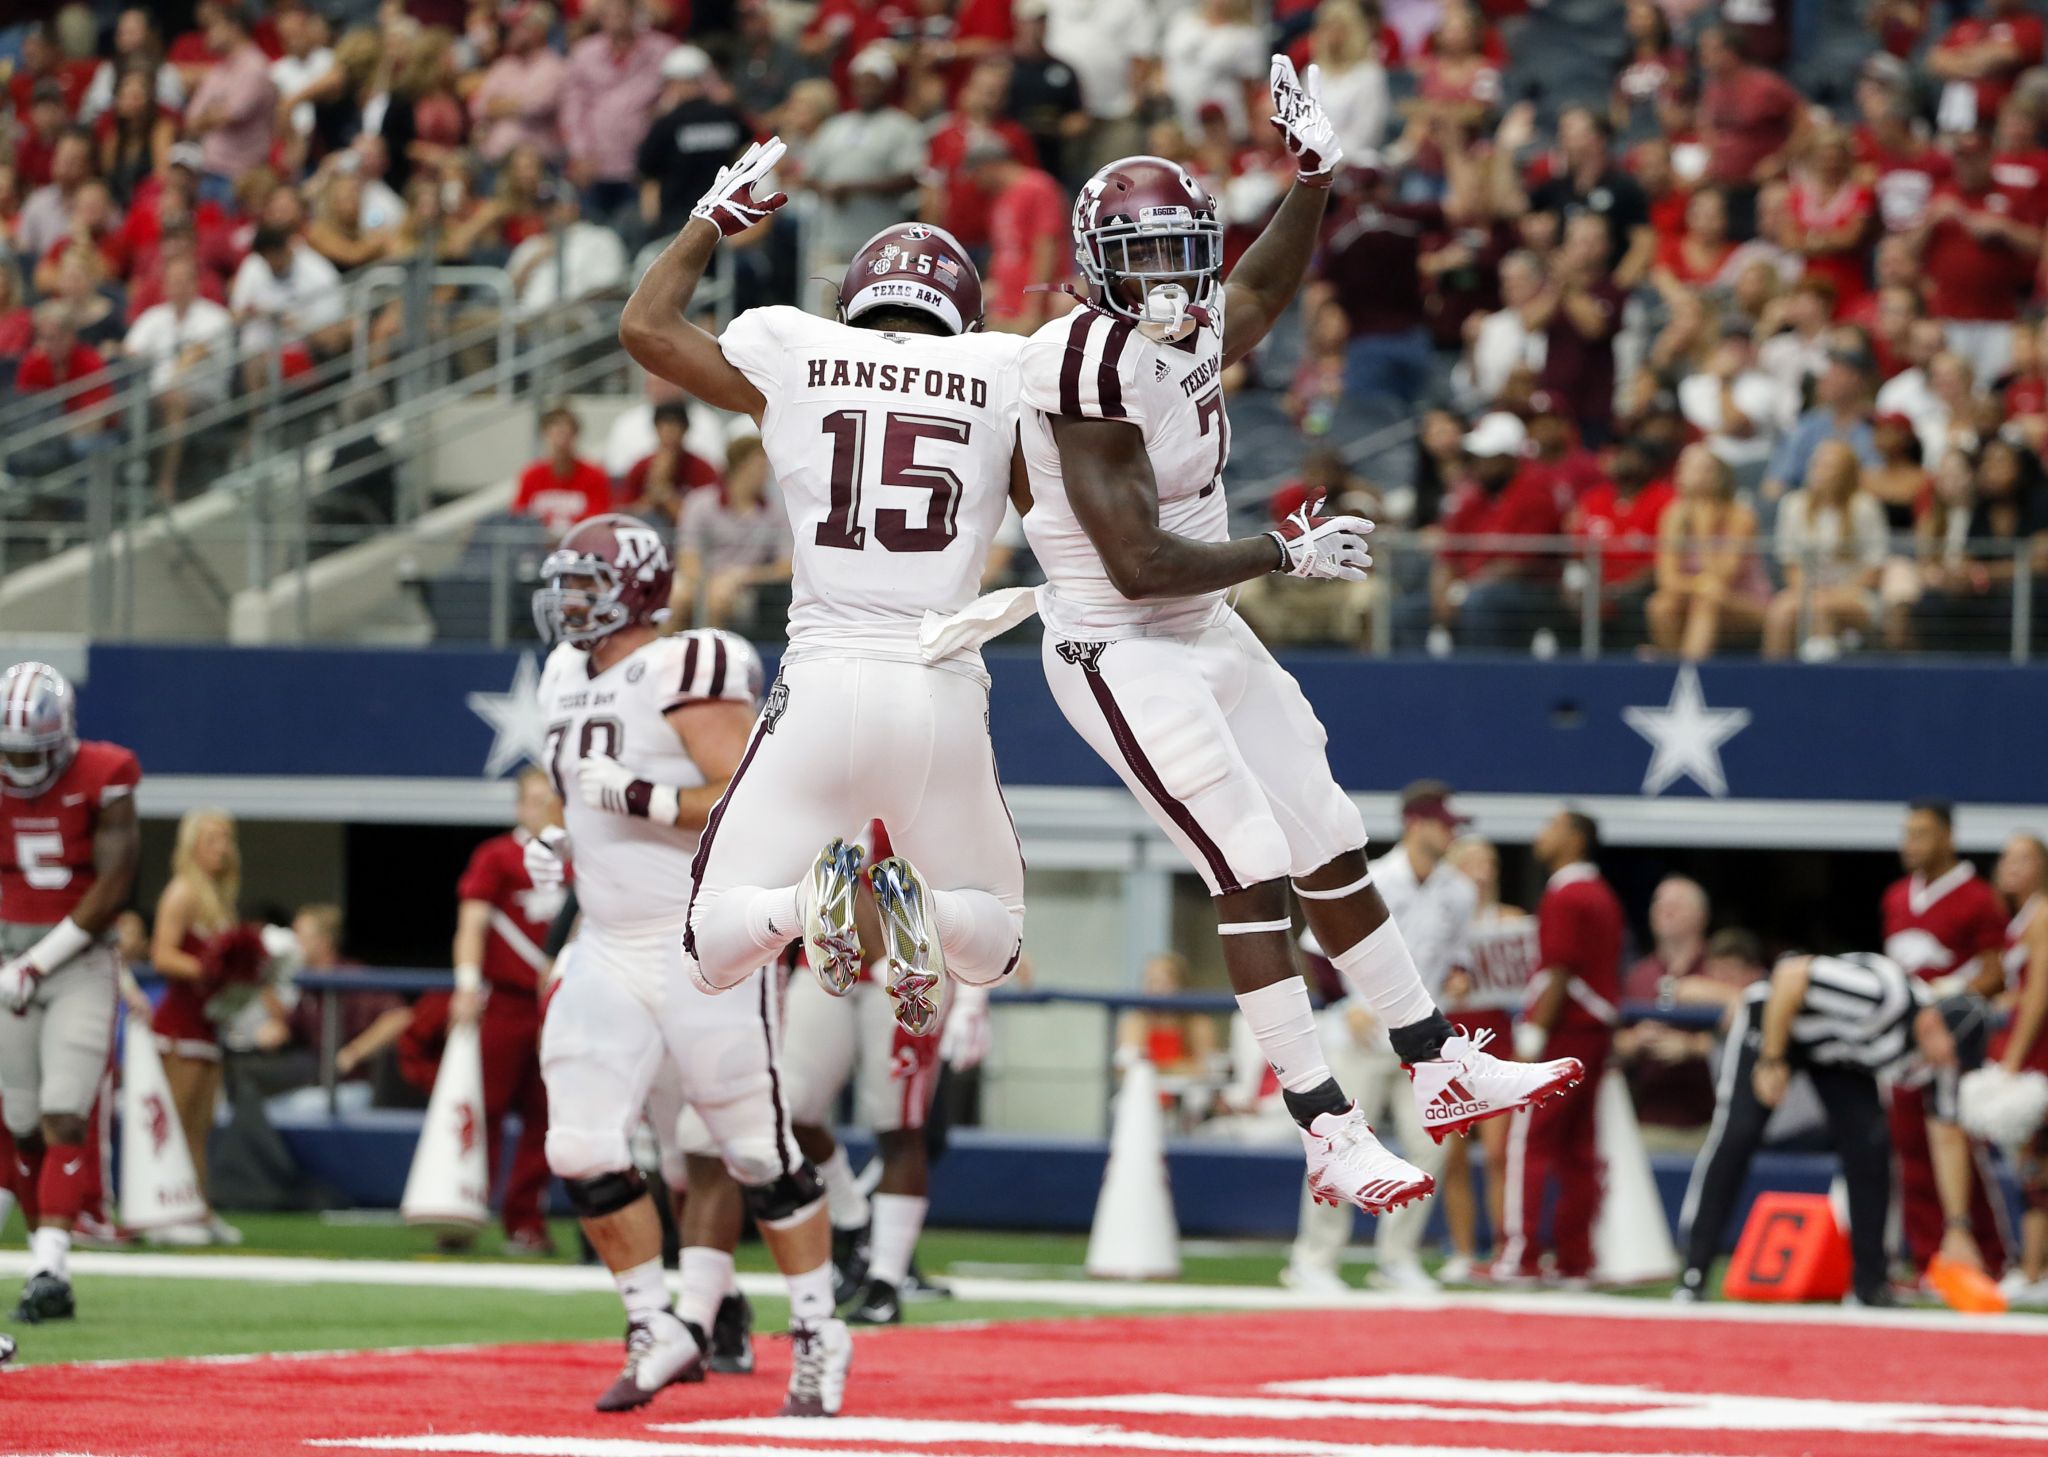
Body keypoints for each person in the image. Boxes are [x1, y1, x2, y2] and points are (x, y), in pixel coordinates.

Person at [1016, 65, 1583, 1221]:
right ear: (1094, 264)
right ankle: (1324, 1126)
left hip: (1201, 619)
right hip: (1113, 640)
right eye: (1149, 261)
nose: (1176, 283)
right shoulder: (1080, 363)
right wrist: (1281, 554)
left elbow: (1261, 291)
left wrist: (1315, 176)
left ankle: (1436, 1059)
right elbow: (1136, 562)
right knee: (1246, 853)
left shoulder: (1178, 314)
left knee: (1327, 832)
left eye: (1186, 255)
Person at [618, 145, 1029, 1047]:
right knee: (991, 936)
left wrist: (708, 225)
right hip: (942, 691)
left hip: (822, 676)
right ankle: (923, 906)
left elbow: (647, 329)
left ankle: (807, 902)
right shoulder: (1007, 371)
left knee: (711, 940)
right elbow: (1060, 517)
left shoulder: (797, 348)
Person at [526, 515, 851, 1416]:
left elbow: (760, 797)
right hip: (604, 940)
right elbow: (577, 797)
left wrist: (642, 796)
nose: (569, 603)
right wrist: (560, 839)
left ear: (633, 589)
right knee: (582, 1144)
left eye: (586, 584)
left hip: (700, 939)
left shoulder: (686, 661)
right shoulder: (563, 676)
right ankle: (655, 1323)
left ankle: (821, 1328)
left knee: (754, 1149)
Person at [784, 820, 993, 1324]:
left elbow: (984, 893)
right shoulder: (821, 776)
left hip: (906, 966)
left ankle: (885, 1281)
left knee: (900, 1129)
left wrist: (974, 995)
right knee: (788, 1109)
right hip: (825, 960)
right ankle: (853, 1217)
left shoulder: (936, 786)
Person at [1677, 951, 1971, 1306]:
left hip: (1840, 1051)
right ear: (1933, 1026)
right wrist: (1772, 1057)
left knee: (1871, 1149)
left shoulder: (1936, 1053)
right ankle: (1694, 1273)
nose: (1951, 1064)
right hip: (1779, 1019)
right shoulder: (1881, 993)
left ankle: (1871, 1284)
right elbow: (1790, 974)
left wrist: (1958, 1227)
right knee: (1738, 1133)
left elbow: (1947, 1135)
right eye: (1953, 1054)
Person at [1286, 781, 1478, 1296]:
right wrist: (1342, 1004)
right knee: (1341, 1145)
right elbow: (1315, 948)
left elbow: (1459, 954)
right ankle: (1314, 1259)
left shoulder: (1459, 891)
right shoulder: (1371, 878)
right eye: (1442, 823)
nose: (1450, 833)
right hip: (1363, 1034)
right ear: (1415, 823)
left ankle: (1397, 1258)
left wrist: (1458, 976)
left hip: (1421, 1042)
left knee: (1429, 1146)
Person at [0, 663, 142, 1324]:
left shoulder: (107, 773)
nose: (22, 764)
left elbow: (116, 880)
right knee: (21, 1121)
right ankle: (42, 1251)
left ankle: (51, 1266)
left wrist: (40, 960)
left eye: (33, 751)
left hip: (78, 958)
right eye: (12, 752)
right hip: (7, 956)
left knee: (64, 1112)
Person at [1881, 798, 2011, 1281]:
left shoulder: (1978, 897)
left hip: (1954, 1040)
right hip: (1905, 1038)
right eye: (1906, 833)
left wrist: (1947, 998)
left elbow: (1997, 971)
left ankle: (1990, 1256)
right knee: (1908, 1145)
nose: (1910, 844)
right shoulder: (1896, 897)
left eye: (1922, 833)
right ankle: (1927, 1258)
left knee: (1957, 1144)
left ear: (1948, 838)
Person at [1498, 810, 1623, 1287]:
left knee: (1529, 1142)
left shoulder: (1568, 894)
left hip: (1564, 1032)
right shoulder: (1602, 894)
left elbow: (1558, 971)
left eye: (1550, 826)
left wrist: (1532, 1037)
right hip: (1593, 1034)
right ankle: (1575, 1259)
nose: (1539, 834)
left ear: (1575, 838)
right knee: (1577, 1149)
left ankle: (1521, 1255)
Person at [449, 767, 565, 1257]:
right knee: (483, 1110)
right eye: (533, 800)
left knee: (549, 1116)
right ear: (519, 806)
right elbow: (471, 923)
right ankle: (462, 1208)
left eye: (550, 800)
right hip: (507, 1002)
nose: (541, 810)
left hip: (557, 1003)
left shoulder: (576, 861)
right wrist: (467, 985)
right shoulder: (497, 856)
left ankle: (525, 1220)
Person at [147, 808, 250, 1246]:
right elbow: (161, 955)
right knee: (176, 1121)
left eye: (226, 839)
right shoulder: (182, 893)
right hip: (179, 1027)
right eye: (212, 839)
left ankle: (198, 1208)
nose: (222, 848)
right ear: (192, 845)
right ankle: (166, 1211)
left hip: (207, 1026)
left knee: (201, 1125)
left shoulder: (219, 898)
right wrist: (208, 970)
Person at [1764, 438, 1888, 659]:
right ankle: (1771, 683)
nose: (1818, 470)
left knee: (1821, 608)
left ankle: (1821, 681)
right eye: (1816, 463)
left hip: (1856, 594)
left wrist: (1834, 593)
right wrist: (1809, 591)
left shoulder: (1864, 507)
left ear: (1846, 472)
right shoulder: (1793, 505)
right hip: (1806, 592)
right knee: (1779, 611)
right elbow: (1791, 565)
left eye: (1828, 465)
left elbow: (1874, 568)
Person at [1646, 443, 1769, 660]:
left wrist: (1704, 532)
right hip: (1699, 595)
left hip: (1746, 602)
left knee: (1707, 602)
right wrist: (1699, 585)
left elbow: (1724, 577)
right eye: (1682, 466)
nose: (1683, 473)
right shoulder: (1673, 516)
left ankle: (1692, 675)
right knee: (1661, 605)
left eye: (1694, 467)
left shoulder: (1740, 517)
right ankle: (1672, 676)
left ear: (1716, 476)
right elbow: (1667, 579)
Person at [1994, 833, 2048, 1300]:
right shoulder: (2021, 918)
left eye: (2023, 859)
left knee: (2036, 1159)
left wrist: (2015, 1056)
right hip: (2030, 1048)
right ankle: (2034, 1269)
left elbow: (2039, 991)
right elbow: (2022, 988)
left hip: (2040, 1053)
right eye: (2006, 858)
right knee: (2031, 1158)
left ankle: (2035, 1272)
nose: (2010, 867)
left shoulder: (2044, 914)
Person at [671, 435, 792, 633]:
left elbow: (786, 567)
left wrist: (744, 576)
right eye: (760, 467)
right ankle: (665, 657)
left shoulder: (775, 512)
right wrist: (707, 584)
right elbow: (687, 557)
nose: (766, 474)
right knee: (676, 596)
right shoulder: (700, 502)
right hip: (698, 581)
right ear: (740, 467)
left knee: (718, 598)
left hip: (745, 590)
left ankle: (711, 659)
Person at [514, 406, 613, 538]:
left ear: (576, 435)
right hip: (537, 548)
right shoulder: (531, 475)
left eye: (566, 432)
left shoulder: (595, 475)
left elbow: (598, 520)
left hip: (580, 547)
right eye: (555, 431)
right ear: (545, 434)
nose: (560, 438)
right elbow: (518, 517)